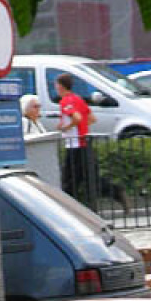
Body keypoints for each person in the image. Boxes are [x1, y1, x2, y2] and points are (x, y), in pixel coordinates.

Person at [54, 72, 97, 208]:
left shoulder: (65, 101)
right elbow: (91, 118)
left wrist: (66, 128)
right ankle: (116, 192)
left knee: (68, 180)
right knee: (88, 176)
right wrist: (81, 127)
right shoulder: (78, 99)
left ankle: (69, 208)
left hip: (74, 144)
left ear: (61, 86)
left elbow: (76, 118)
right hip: (84, 142)